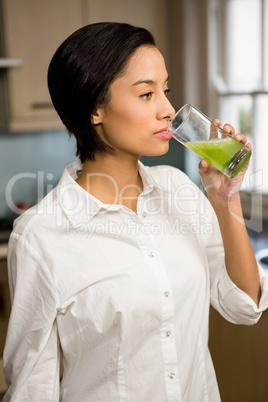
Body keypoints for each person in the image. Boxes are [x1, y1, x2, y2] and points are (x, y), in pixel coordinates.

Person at [3, 22, 268, 402]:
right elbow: (32, 388)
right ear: (94, 109)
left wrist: (225, 198)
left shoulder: (179, 189)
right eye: (146, 94)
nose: (168, 110)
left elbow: (244, 306)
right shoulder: (41, 235)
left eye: (166, 90)